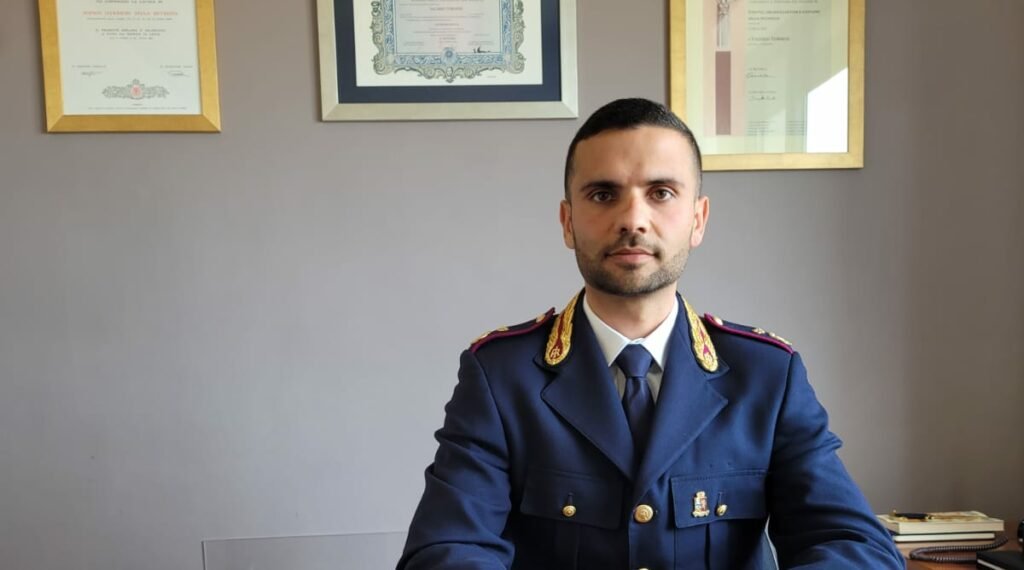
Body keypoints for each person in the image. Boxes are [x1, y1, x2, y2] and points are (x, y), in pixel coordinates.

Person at [397, 98, 904, 569]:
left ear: (698, 219)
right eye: (603, 194)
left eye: (661, 193)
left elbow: (854, 545)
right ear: (568, 222)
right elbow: (446, 550)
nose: (633, 219)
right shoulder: (500, 376)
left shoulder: (767, 375)